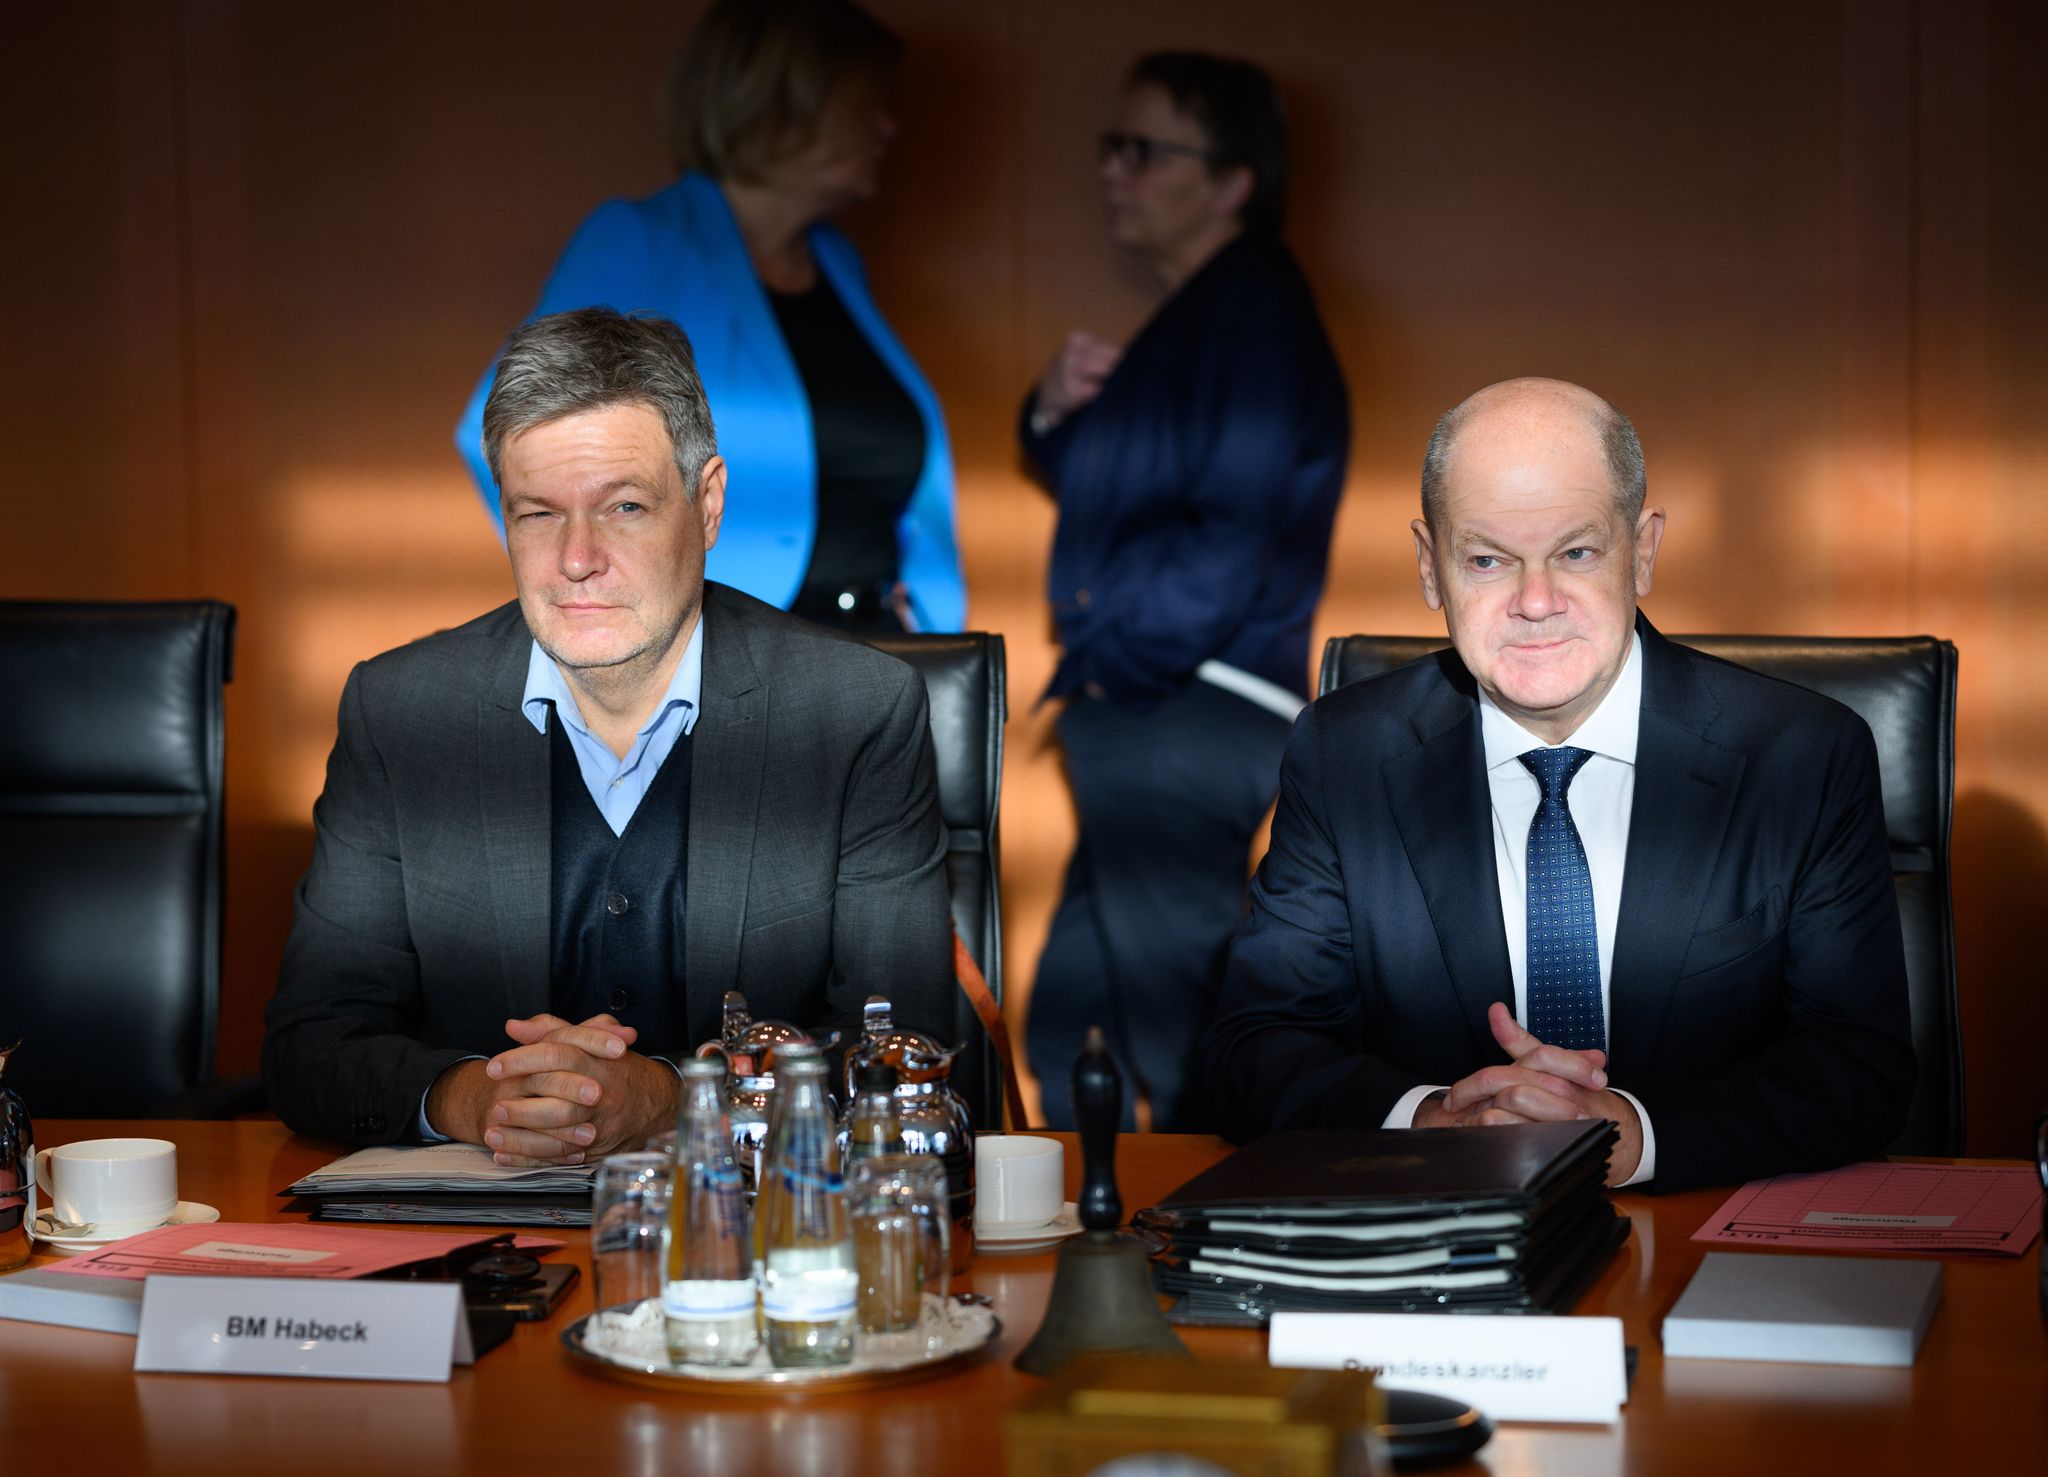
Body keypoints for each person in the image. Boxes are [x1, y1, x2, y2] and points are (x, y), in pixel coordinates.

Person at [267, 307, 955, 1162]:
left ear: (707, 506)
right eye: (538, 513)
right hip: (479, 1245)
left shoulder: (852, 712)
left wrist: (673, 1098)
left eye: (623, 506)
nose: (577, 557)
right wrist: (471, 1094)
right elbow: (310, 1044)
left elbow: (902, 1049)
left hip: (754, 1240)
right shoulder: (400, 712)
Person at [1201, 377, 1916, 1192]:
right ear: (1431, 567)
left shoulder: (1801, 757)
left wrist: (1636, 1134)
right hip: (1441, 1249)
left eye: (1576, 552)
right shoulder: (1345, 755)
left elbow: (1862, 1065)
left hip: (1701, 1234)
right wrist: (1433, 1119)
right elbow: (1252, 1049)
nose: (1535, 602)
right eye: (1486, 559)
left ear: (1642, 550)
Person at [1021, 53, 1349, 1131]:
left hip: (1183, 706)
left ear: (1231, 180)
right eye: (1110, 148)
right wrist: (1050, 412)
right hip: (1161, 703)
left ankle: (1235, 1261)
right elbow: (1107, 488)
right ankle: (1081, 1256)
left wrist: (1117, 669)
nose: (1113, 171)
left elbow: (1226, 533)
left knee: (1182, 1039)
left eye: (1144, 149)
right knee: (1077, 1026)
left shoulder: (1246, 308)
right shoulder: (1203, 315)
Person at [454, 0, 963, 635]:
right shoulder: (640, 240)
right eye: (866, 104)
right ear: (784, 106)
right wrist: (629, 605)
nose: (888, 129)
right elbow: (499, 427)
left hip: (884, 651)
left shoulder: (836, 263)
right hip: (733, 661)